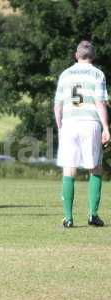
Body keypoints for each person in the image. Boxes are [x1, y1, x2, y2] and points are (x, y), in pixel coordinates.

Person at [54, 40, 110, 228]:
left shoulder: (65, 75)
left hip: (69, 124)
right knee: (95, 167)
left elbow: (58, 104)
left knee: (69, 169)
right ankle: (93, 215)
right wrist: (106, 128)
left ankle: (68, 218)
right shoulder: (98, 74)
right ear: (93, 56)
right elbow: (100, 102)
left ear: (76, 56)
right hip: (90, 123)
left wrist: (60, 127)